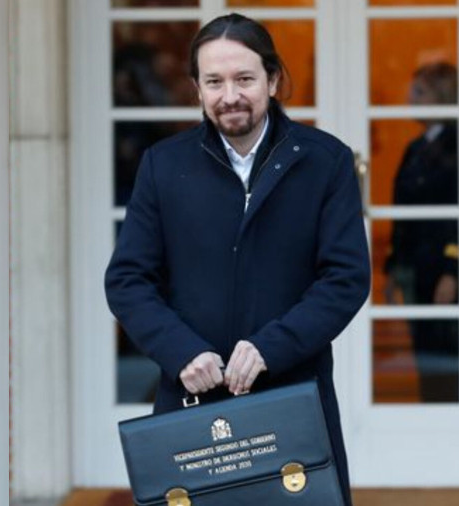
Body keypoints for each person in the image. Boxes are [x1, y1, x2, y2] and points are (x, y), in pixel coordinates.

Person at [104, 13, 369, 505]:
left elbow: (345, 279)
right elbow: (128, 280)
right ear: (196, 89)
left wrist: (271, 348)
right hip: (191, 401)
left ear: (272, 80)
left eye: (244, 79)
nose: (230, 96)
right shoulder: (163, 165)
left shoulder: (325, 161)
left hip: (293, 398)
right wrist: (181, 351)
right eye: (214, 82)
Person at [385, 62, 459, 402]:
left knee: (447, 351)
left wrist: (452, 270)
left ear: (442, 97)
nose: (410, 98)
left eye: (420, 92)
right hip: (417, 266)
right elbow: (402, 214)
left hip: (443, 268)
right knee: (425, 351)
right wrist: (393, 267)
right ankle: (431, 410)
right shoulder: (415, 148)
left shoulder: (454, 146)